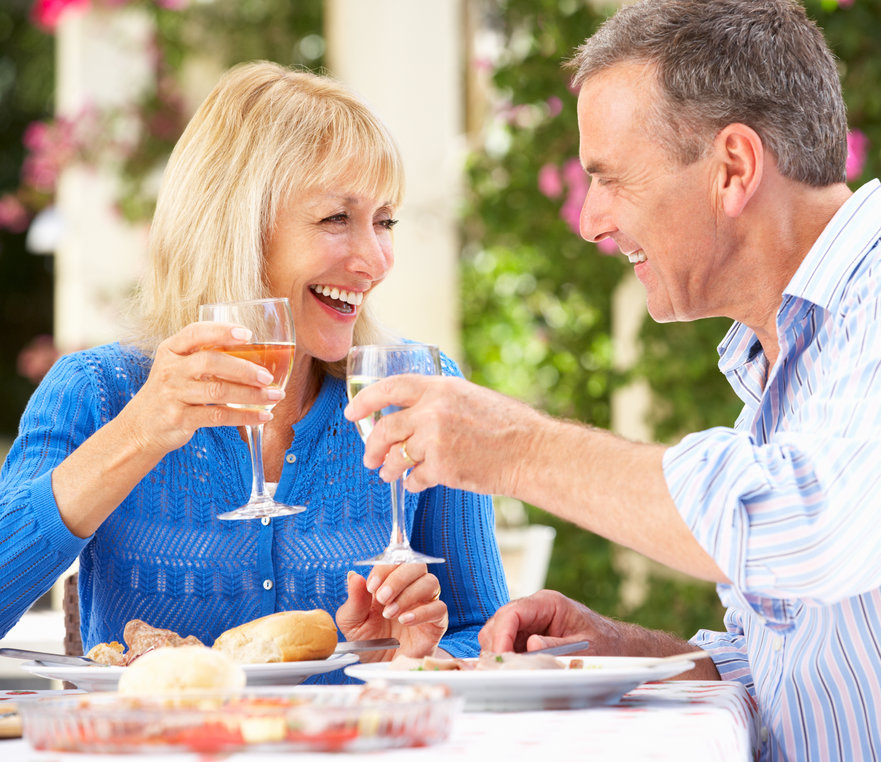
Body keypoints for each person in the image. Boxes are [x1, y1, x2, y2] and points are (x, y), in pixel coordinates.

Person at [346, 0, 881, 757]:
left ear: (733, 168)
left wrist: (515, 448)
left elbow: (813, 534)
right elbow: (798, 669)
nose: (590, 220)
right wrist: (628, 649)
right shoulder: (786, 369)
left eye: (610, 179)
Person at [0, 61, 509, 676]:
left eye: (384, 221)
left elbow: (484, 632)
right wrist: (140, 431)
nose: (375, 260)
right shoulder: (96, 392)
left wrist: (402, 658)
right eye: (335, 219)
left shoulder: (414, 394)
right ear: (236, 230)